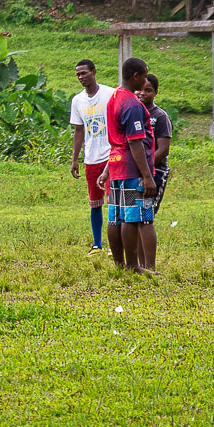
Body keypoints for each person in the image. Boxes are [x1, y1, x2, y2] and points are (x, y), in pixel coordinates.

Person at [105, 58, 158, 273]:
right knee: (132, 216)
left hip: (115, 165)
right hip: (131, 167)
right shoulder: (132, 104)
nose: (145, 81)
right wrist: (147, 176)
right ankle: (133, 266)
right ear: (135, 76)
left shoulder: (114, 97)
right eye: (144, 76)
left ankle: (119, 265)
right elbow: (135, 142)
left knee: (115, 217)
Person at [67, 59, 115, 254]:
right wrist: (75, 159)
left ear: (94, 72)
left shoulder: (110, 94)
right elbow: (79, 131)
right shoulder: (77, 101)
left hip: (112, 155)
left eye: (84, 73)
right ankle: (97, 245)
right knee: (95, 203)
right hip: (91, 158)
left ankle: (115, 244)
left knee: (113, 201)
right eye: (78, 74)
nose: (81, 77)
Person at [137, 73, 173, 219]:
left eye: (148, 90)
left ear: (156, 92)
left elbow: (163, 150)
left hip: (155, 171)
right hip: (134, 171)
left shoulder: (160, 117)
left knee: (147, 215)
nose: (142, 93)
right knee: (133, 215)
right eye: (140, 89)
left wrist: (145, 168)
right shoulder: (133, 113)